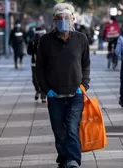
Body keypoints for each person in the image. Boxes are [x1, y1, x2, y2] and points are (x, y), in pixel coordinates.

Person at [36, 3, 90, 168]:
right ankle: (64, 158)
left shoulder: (81, 39)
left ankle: (73, 160)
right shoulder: (45, 41)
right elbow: (39, 68)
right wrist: (46, 90)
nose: (63, 21)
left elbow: (86, 64)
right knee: (59, 131)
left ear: (73, 19)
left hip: (76, 95)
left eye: (66, 18)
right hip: (55, 95)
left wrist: (84, 85)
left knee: (72, 128)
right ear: (54, 20)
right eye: (59, 18)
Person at [27, 27, 47, 103]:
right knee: (35, 79)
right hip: (34, 63)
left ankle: (43, 95)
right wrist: (32, 45)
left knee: (43, 79)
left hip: (44, 63)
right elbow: (29, 52)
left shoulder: (47, 41)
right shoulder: (32, 42)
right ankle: (37, 90)